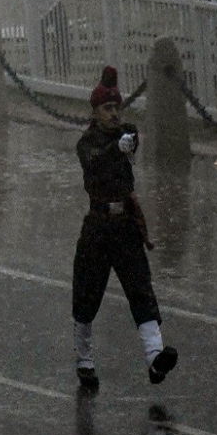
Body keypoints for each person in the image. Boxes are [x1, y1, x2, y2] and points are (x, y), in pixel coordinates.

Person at [72, 68, 177, 391]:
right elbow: (96, 162)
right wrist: (116, 149)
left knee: (140, 289)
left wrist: (126, 145)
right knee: (87, 293)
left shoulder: (126, 134)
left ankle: (154, 358)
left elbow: (129, 144)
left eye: (117, 107)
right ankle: (85, 359)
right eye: (107, 108)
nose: (114, 113)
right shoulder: (87, 143)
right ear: (95, 111)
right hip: (99, 225)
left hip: (124, 226)